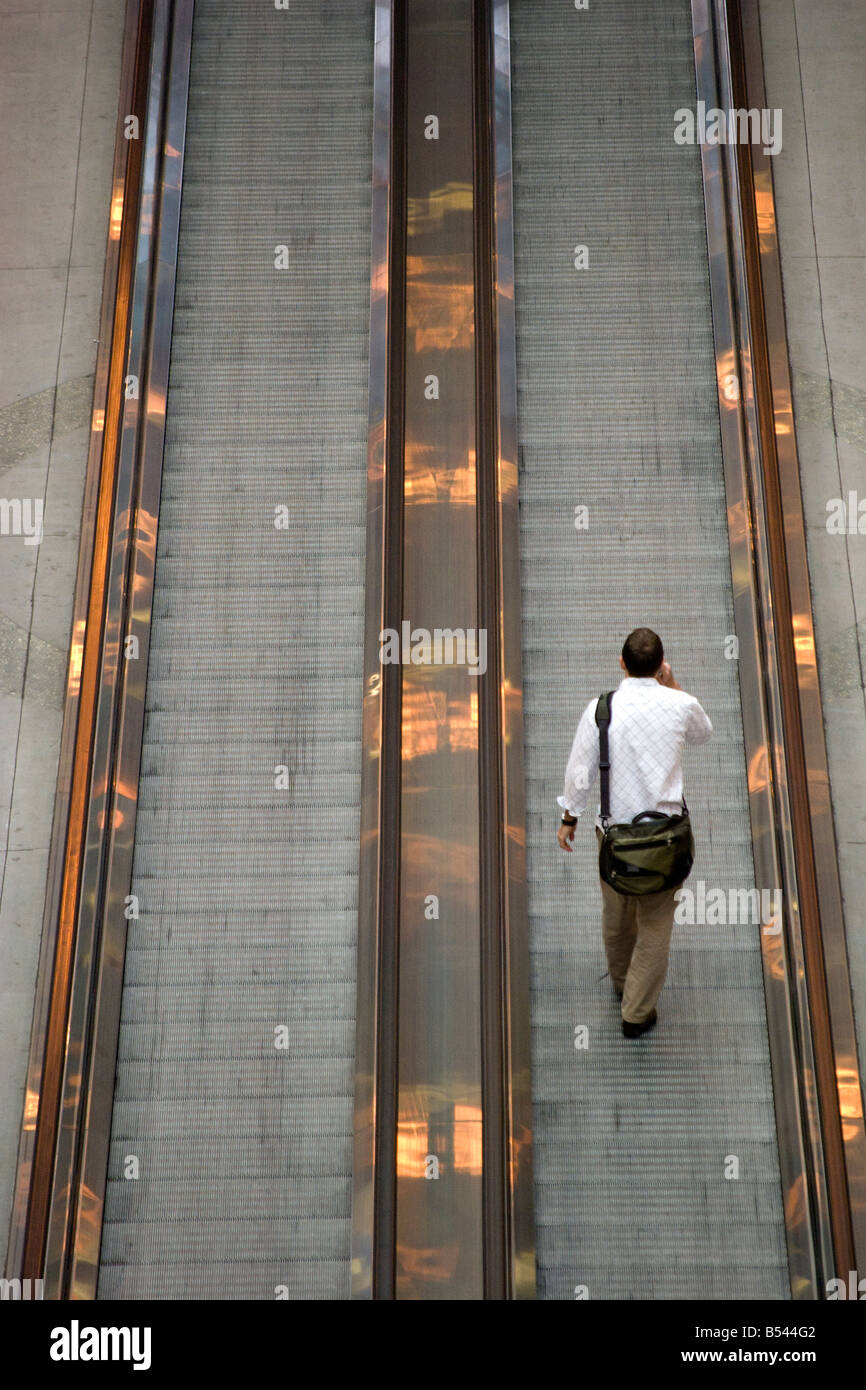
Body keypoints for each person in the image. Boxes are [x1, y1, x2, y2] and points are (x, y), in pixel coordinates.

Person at [556, 628, 712, 1038]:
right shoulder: (681, 704)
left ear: (621, 663)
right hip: (666, 839)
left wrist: (570, 817)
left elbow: (580, 770)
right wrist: (673, 684)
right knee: (656, 925)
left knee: (617, 915)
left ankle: (623, 982)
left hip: (613, 838)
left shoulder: (600, 710)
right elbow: (703, 734)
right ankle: (636, 1012)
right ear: (660, 665)